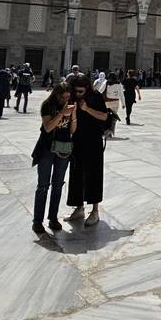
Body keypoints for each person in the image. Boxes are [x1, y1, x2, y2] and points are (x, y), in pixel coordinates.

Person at [32, 82, 77, 234]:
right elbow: (48, 127)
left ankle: (53, 218)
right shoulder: (47, 105)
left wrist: (74, 114)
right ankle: (37, 221)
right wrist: (61, 113)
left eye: (68, 96)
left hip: (63, 148)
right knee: (43, 186)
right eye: (63, 96)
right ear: (56, 95)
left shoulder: (70, 105)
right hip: (47, 148)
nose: (66, 99)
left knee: (58, 184)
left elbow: (72, 130)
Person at [66, 75, 108, 226]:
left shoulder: (96, 96)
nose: (78, 94)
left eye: (81, 91)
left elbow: (103, 116)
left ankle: (95, 211)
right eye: (76, 91)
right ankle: (79, 208)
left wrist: (87, 109)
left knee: (94, 174)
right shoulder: (72, 97)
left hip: (93, 141)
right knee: (76, 173)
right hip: (77, 140)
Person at [103, 72, 123, 138]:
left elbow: (100, 91)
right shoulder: (119, 83)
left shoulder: (106, 83)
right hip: (116, 102)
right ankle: (111, 131)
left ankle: (106, 131)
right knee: (113, 117)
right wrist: (123, 103)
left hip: (107, 102)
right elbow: (121, 94)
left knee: (106, 117)